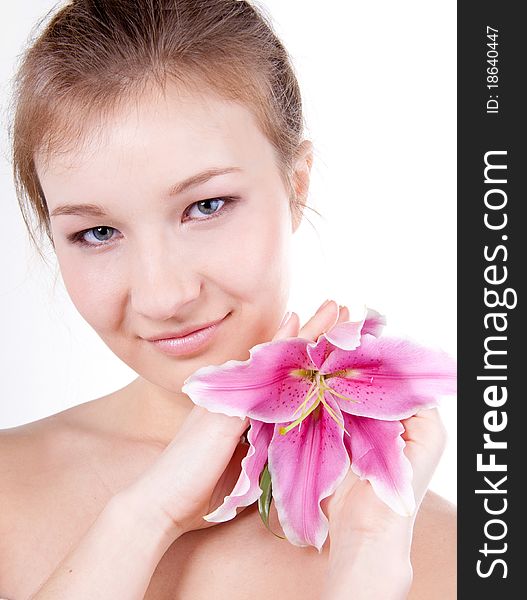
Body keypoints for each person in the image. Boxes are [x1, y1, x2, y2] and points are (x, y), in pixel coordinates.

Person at [0, 1, 456, 598]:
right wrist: (142, 517)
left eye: (205, 206)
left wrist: (368, 564)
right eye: (97, 233)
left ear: (296, 186)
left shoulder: (448, 556)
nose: (164, 297)